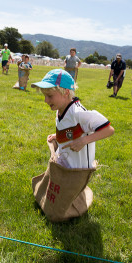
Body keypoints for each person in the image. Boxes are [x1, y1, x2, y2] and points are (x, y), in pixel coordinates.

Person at [30, 69, 114, 221]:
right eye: (45, 96)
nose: (46, 101)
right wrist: (58, 136)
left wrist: (84, 141)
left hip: (78, 168)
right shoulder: (60, 110)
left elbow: (108, 130)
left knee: (59, 209)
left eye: (49, 96)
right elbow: (70, 131)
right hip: (66, 162)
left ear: (65, 92)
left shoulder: (79, 113)